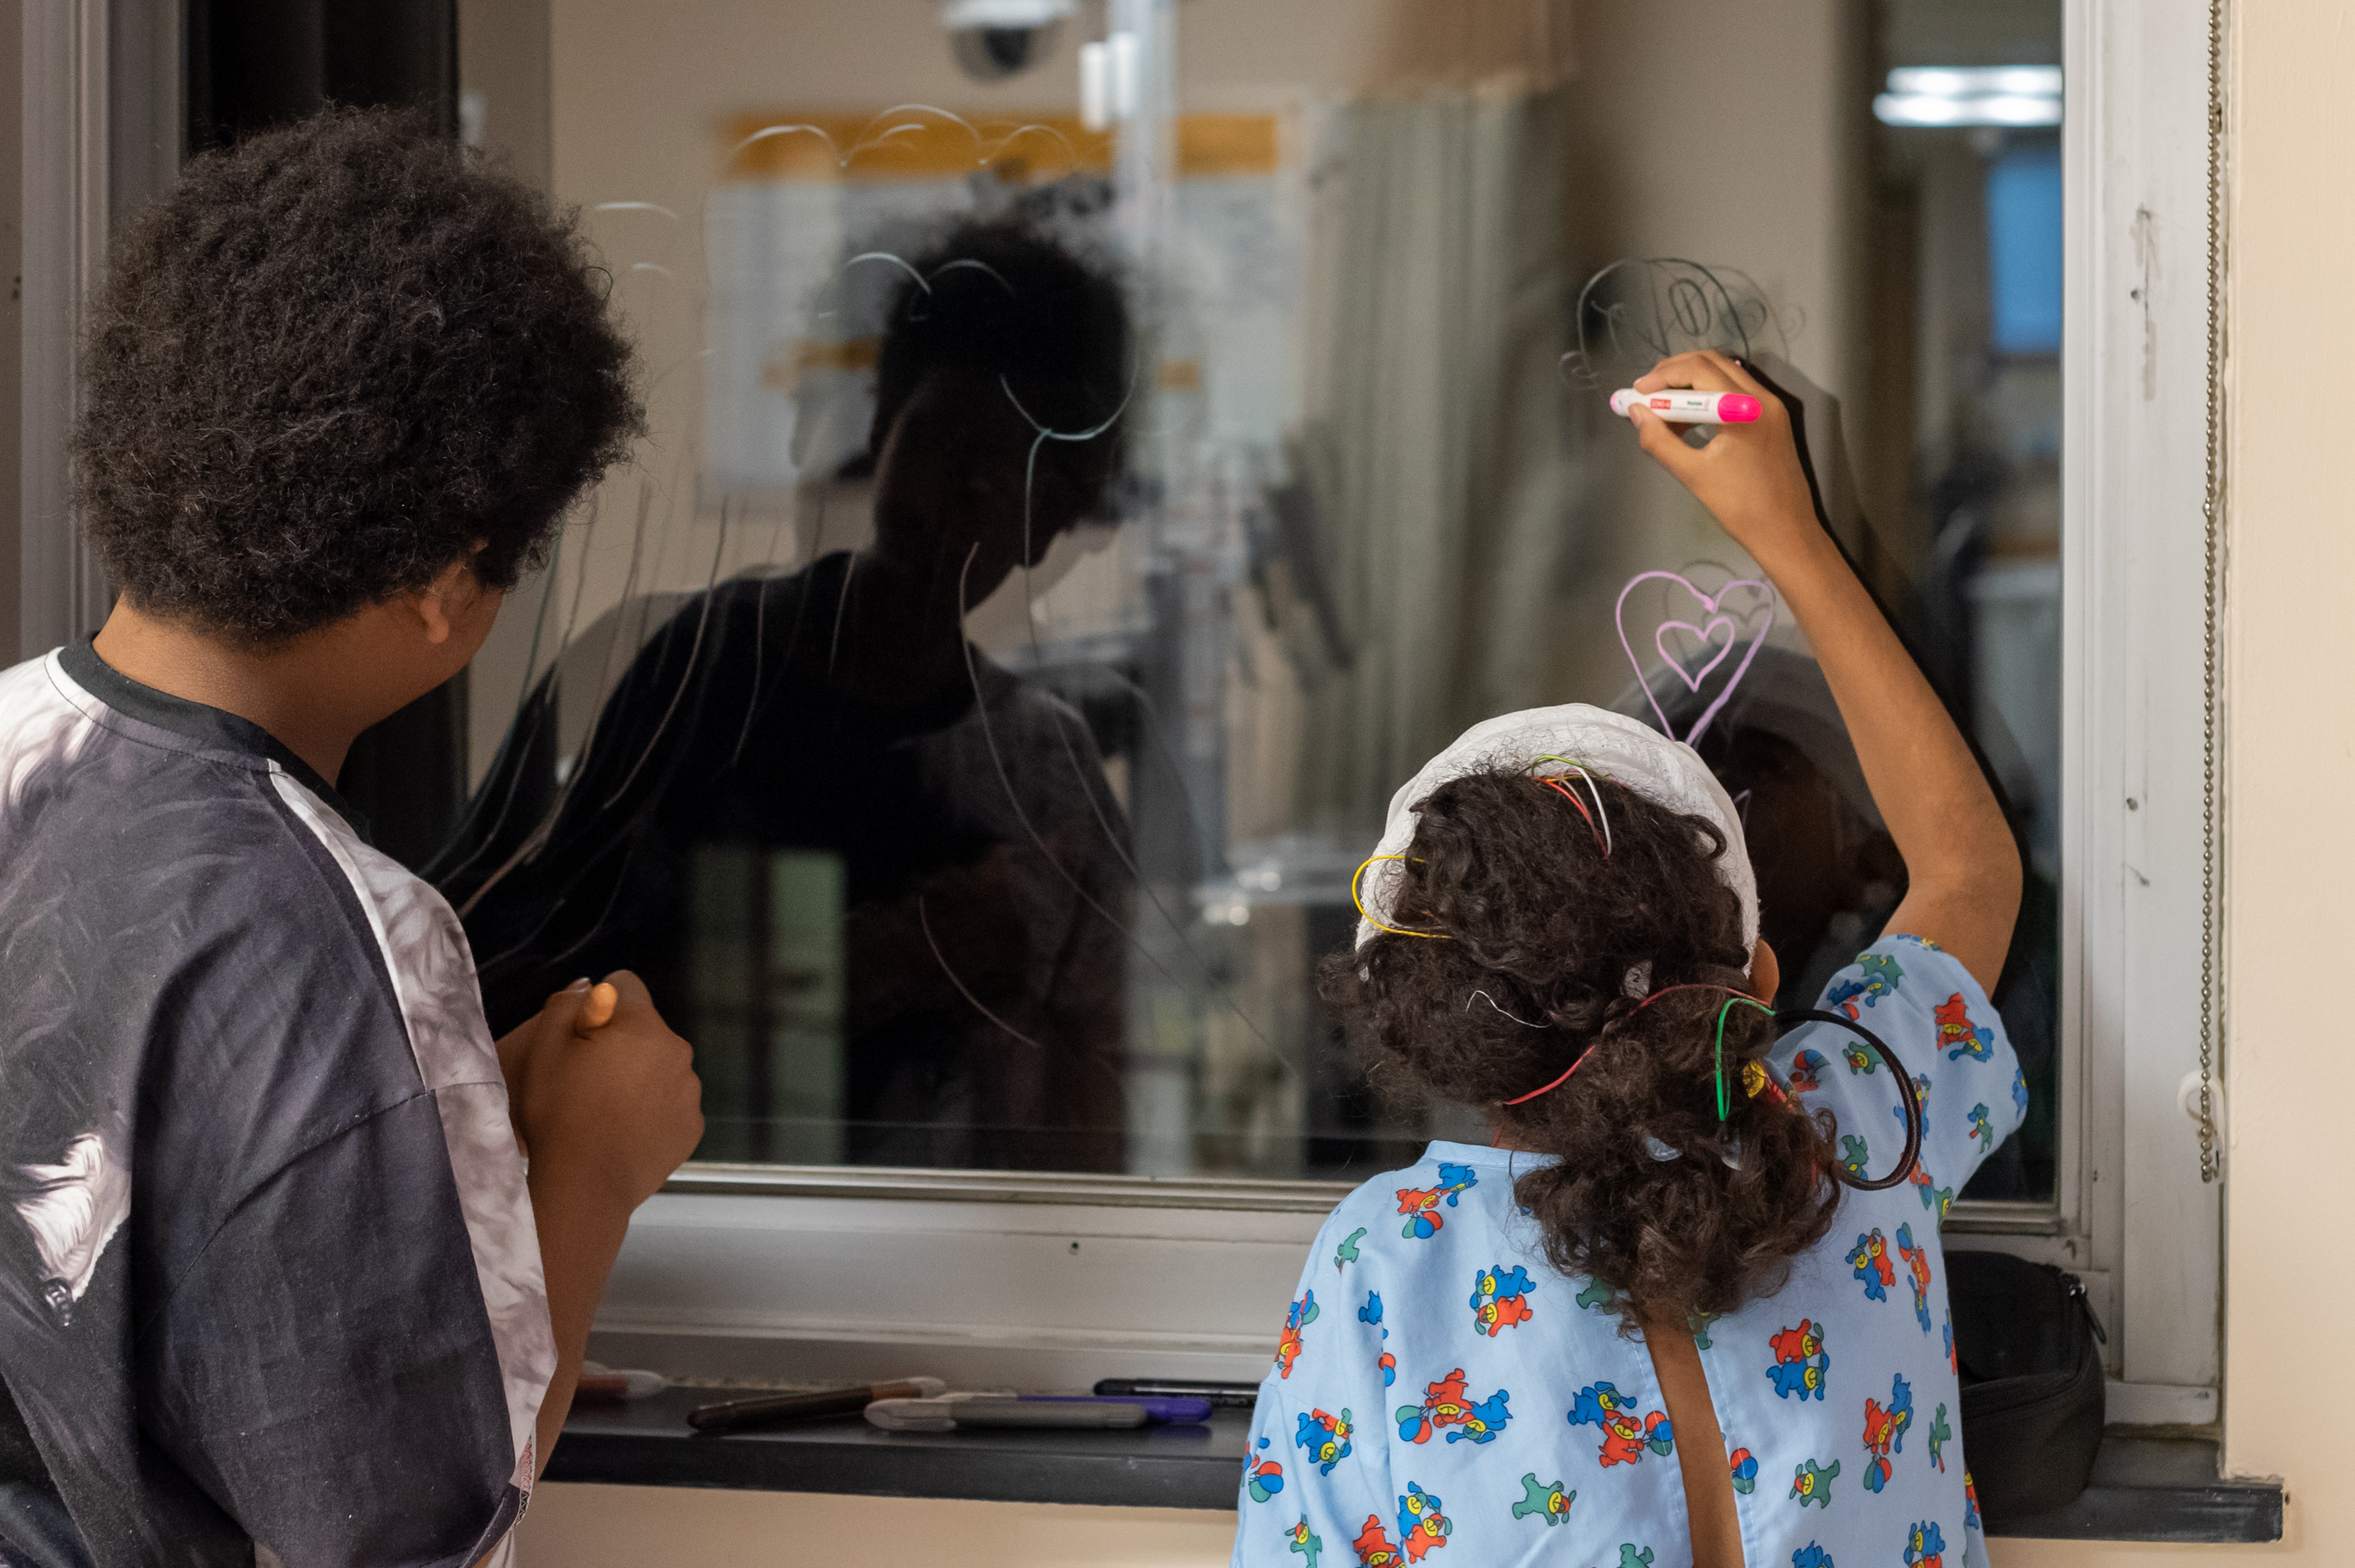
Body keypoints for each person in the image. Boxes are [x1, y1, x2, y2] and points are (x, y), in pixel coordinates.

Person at [0, 109, 701, 1568]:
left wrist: (436, 1113)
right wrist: (585, 1161)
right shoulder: (329, 934)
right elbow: (413, 1532)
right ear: (450, 578)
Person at [1231, 352, 2025, 1568]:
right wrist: (1789, 532)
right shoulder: (1855, 1141)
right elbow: (1969, 872)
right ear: (1757, 978)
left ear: (1446, 1032)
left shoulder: (1390, 1265)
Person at [445, 220, 1134, 1172]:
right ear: (882, 434)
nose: (964, 495)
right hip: (695, 1223)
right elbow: (536, 987)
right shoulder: (708, 669)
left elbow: (1104, 1100)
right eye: (943, 439)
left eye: (1012, 470)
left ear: (1054, 520)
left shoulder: (1039, 762)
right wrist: (899, 952)